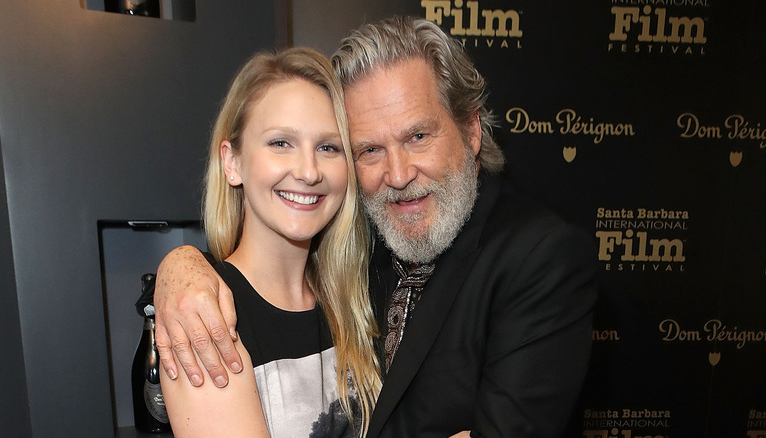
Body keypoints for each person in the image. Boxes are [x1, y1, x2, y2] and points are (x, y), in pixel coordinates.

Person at [155, 17, 598, 438]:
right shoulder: (216, 315)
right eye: (369, 149)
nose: (399, 173)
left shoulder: (539, 256)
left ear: (472, 130)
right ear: (231, 161)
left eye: (417, 137)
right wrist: (179, 265)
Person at [158, 47, 383, 438]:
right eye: (281, 143)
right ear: (232, 163)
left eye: (328, 147)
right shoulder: (202, 315)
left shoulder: (359, 297)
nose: (308, 171)